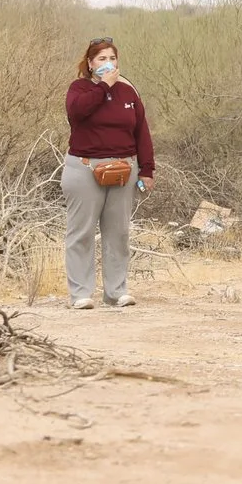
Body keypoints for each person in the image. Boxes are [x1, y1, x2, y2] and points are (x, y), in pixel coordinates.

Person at [62, 37, 154, 309]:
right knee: (82, 232)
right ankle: (80, 293)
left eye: (112, 58)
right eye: (101, 59)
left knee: (119, 232)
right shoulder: (79, 89)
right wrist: (104, 86)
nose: (107, 63)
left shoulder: (129, 92)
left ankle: (116, 291)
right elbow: (77, 113)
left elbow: (142, 132)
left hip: (124, 169)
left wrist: (147, 169)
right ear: (90, 64)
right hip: (85, 168)